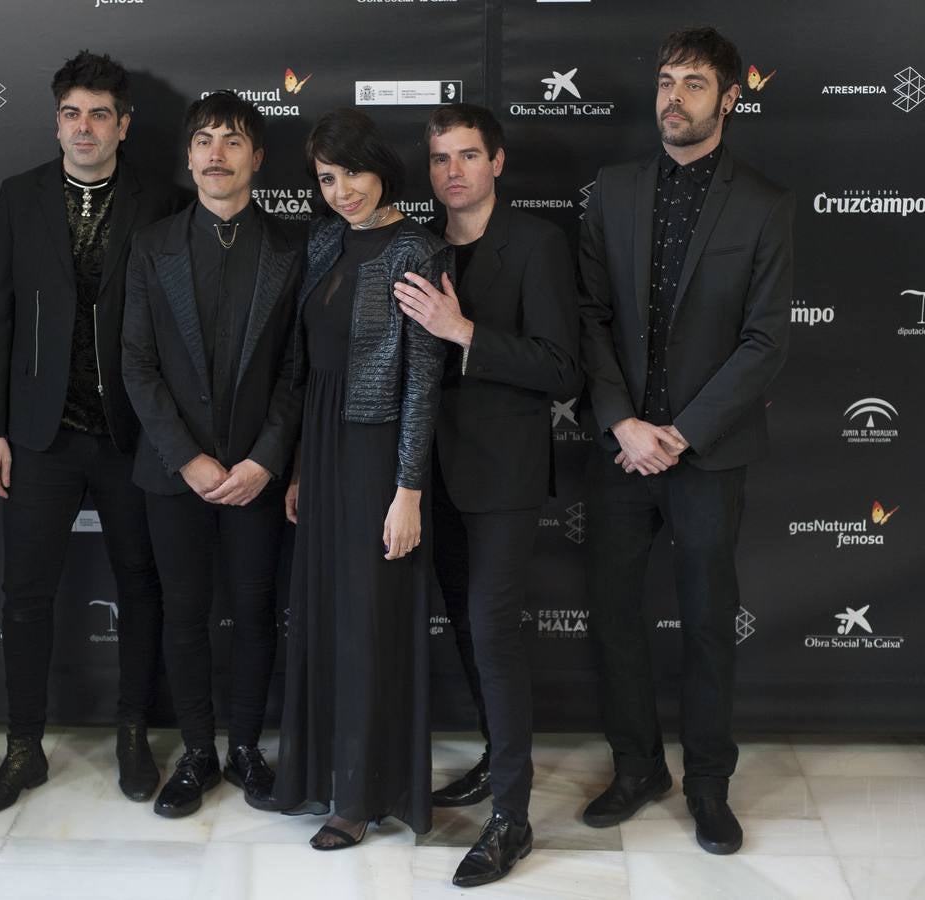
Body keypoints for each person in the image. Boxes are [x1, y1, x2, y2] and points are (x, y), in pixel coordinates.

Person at [577, 26, 793, 855]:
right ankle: (636, 768)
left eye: (694, 83)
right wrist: (623, 423)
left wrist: (680, 433)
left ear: (730, 97)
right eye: (666, 80)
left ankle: (707, 783)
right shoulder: (612, 189)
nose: (674, 96)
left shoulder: (764, 203)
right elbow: (590, 318)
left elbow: (766, 340)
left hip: (708, 455)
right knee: (613, 617)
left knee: (707, 622)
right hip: (618, 450)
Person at [0, 50, 176, 818]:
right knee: (24, 596)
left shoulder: (160, 199)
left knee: (141, 587)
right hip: (39, 435)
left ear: (123, 125)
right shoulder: (19, 196)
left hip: (131, 435)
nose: (82, 127)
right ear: (56, 122)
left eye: (97, 114)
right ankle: (23, 748)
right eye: (69, 113)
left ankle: (131, 733)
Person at [393, 103, 582, 887]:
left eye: (467, 156)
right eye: (440, 159)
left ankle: (511, 816)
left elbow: (560, 368)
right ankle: (489, 762)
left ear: (496, 163)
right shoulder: (417, 244)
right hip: (424, 472)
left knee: (491, 633)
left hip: (500, 475)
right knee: (467, 636)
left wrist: (463, 330)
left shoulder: (536, 242)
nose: (453, 172)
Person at [121, 90, 304, 819]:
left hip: (259, 476)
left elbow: (299, 370)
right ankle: (197, 754)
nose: (216, 154)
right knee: (186, 615)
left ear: (256, 157)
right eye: (203, 140)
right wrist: (187, 459)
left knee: (257, 614)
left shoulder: (293, 249)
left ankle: (248, 752)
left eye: (232, 141)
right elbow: (136, 363)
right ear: (188, 155)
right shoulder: (152, 245)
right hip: (175, 477)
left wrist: (264, 459)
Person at [273, 108, 450, 850]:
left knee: (368, 624)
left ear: (381, 167)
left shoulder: (418, 248)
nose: (340, 190)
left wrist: (407, 490)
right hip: (323, 444)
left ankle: (361, 794)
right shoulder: (324, 242)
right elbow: (303, 363)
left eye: (350, 172)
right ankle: (317, 776)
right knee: (323, 616)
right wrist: (296, 466)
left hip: (379, 452)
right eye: (325, 178)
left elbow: (423, 380)